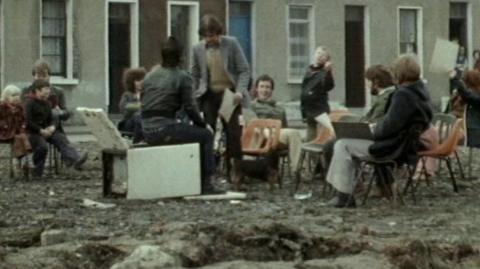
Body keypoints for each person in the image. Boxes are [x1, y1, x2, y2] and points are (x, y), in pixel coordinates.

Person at [326, 55, 433, 208]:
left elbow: (389, 127)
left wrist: (371, 130)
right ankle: (347, 191)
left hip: (392, 148)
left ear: (400, 73)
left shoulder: (403, 95)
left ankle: (344, 195)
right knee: (343, 144)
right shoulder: (421, 94)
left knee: (342, 144)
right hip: (404, 146)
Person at [141, 37, 221, 194]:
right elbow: (190, 107)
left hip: (147, 130)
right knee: (205, 136)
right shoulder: (182, 77)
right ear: (181, 57)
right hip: (164, 129)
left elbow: (144, 101)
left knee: (190, 132)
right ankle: (206, 184)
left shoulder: (150, 76)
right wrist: (204, 125)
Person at [191, 14, 250, 184]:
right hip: (209, 94)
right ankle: (208, 171)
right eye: (206, 36)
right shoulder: (197, 49)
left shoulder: (231, 44)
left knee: (232, 133)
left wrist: (239, 91)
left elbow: (244, 70)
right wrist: (195, 93)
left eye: (212, 35)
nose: (209, 39)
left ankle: (235, 171)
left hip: (229, 94)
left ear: (219, 33)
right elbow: (194, 73)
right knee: (207, 131)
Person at [25, 80, 87, 178]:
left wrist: (52, 127)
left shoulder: (47, 104)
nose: (46, 96)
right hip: (34, 132)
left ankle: (75, 160)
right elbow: (28, 121)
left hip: (47, 130)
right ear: (37, 91)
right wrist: (40, 130)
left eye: (47, 94)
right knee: (42, 146)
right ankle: (37, 171)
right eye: (43, 94)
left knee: (60, 138)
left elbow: (53, 118)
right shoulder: (29, 103)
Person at [250, 74, 303, 171]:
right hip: (259, 137)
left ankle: (296, 170)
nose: (264, 90)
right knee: (258, 128)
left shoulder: (279, 108)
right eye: (261, 87)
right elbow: (250, 126)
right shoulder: (251, 106)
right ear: (256, 89)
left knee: (294, 133)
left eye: (267, 87)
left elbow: (285, 127)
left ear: (271, 90)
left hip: (277, 136)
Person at [23, 59, 70, 132]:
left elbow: (66, 114)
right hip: (33, 130)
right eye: (38, 76)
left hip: (53, 129)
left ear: (49, 76)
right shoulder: (26, 91)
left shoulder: (58, 92)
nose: (41, 79)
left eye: (44, 76)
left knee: (63, 142)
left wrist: (60, 112)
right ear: (34, 76)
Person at [301, 46, 335, 142]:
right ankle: (310, 156)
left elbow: (329, 86)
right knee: (310, 138)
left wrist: (328, 72)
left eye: (324, 55)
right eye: (318, 53)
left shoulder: (324, 72)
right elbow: (306, 90)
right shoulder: (309, 70)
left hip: (319, 108)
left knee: (322, 137)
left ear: (327, 59)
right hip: (309, 108)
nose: (320, 56)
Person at [0, 85, 32, 174]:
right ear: (6, 97)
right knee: (19, 137)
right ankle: (21, 159)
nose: (16, 98)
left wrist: (23, 125)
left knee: (22, 136)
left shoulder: (20, 107)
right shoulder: (2, 107)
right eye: (13, 95)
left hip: (17, 130)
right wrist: (5, 125)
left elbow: (24, 119)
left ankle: (22, 159)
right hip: (5, 131)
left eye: (18, 95)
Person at [450, 69, 480, 147]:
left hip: (472, 135)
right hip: (465, 131)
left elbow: (468, 96)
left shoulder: (472, 97)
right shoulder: (464, 96)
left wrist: (455, 80)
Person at [118, 67, 146, 142]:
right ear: (131, 82)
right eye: (137, 80)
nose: (140, 82)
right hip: (129, 123)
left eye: (142, 80)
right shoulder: (127, 95)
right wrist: (139, 106)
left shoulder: (147, 94)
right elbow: (123, 107)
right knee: (137, 118)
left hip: (143, 122)